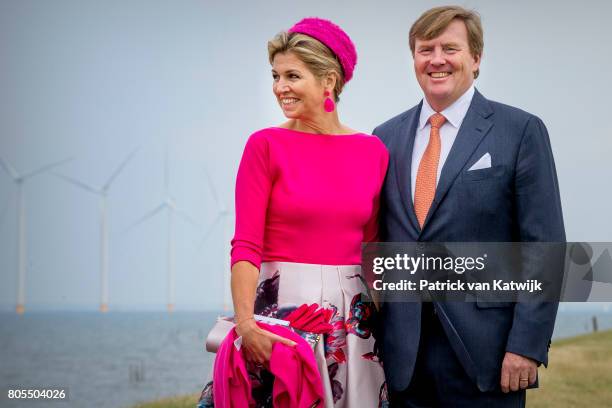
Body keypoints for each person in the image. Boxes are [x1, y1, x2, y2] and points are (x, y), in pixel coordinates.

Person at [373, 6, 565, 407]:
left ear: (475, 59)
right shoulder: (384, 138)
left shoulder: (521, 131)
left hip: (490, 359)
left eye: (450, 48)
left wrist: (526, 346)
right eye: (426, 49)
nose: (437, 59)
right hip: (403, 361)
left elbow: (543, 248)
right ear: (414, 60)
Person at [198, 17, 388, 407]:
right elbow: (246, 246)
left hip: (352, 322)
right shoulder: (265, 146)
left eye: (292, 76)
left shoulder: (373, 151)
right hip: (279, 317)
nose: (279, 87)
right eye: (275, 75)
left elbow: (374, 249)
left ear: (329, 80)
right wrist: (246, 326)